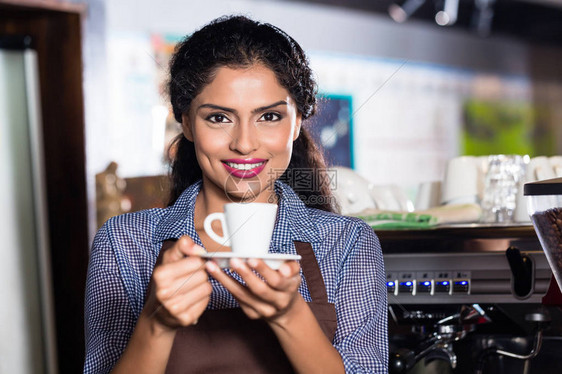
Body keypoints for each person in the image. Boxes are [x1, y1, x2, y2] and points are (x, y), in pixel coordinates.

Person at [84, 15, 388, 373]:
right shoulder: (126, 243)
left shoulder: (346, 243)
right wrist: (157, 323)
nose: (244, 144)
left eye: (269, 117)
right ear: (186, 123)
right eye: (219, 118)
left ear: (297, 122)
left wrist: (291, 316)